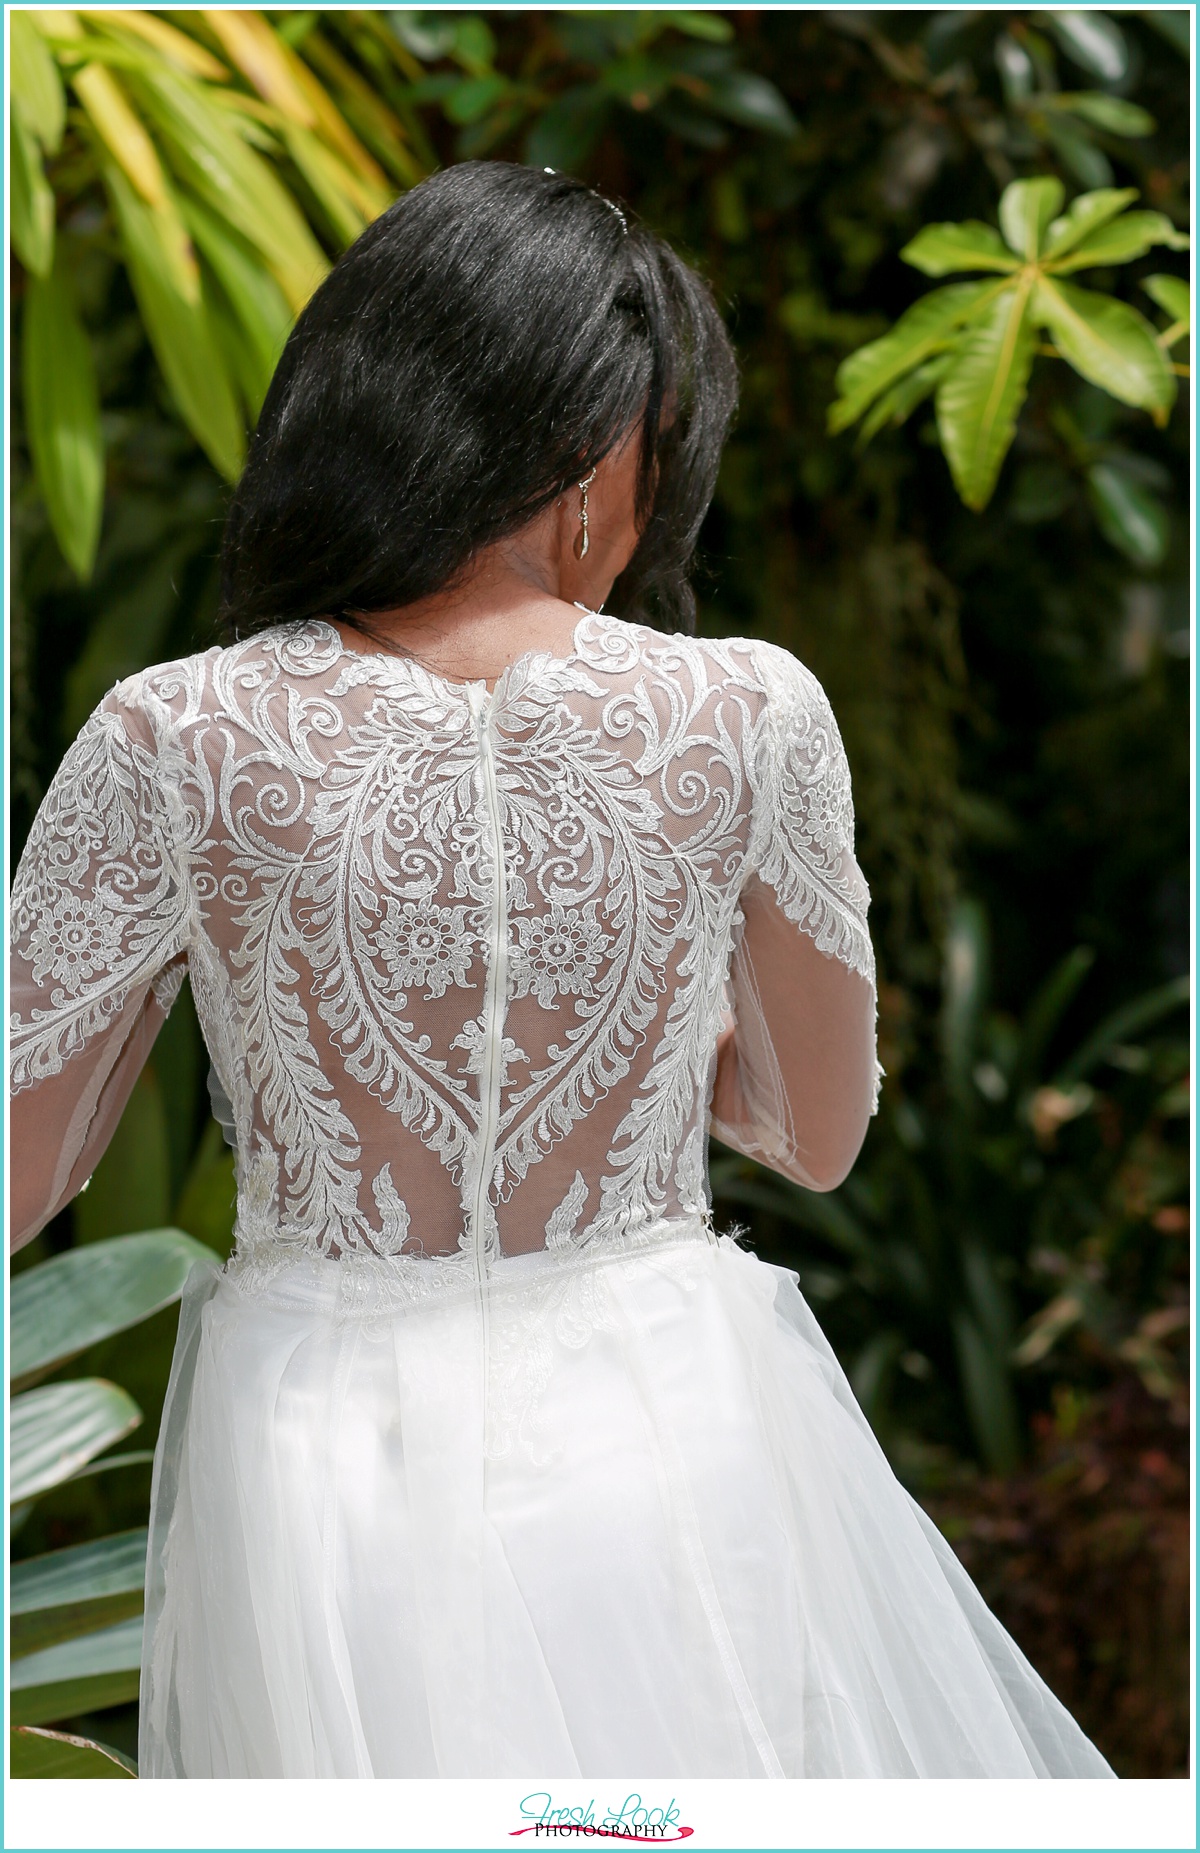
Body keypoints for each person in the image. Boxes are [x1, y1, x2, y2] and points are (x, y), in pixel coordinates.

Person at [9, 162, 1114, 1780]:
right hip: (664, 1409)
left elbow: (22, 1165)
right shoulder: (747, 714)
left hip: (322, 1441)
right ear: (599, 450)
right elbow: (816, 1133)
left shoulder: (177, 731)